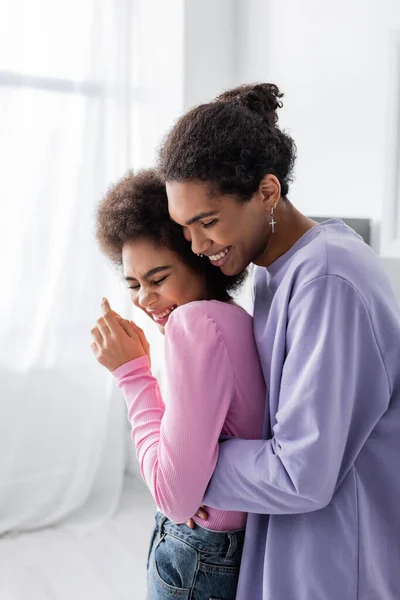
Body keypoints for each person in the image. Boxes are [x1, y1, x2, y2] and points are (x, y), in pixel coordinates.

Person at [157, 83, 400, 600]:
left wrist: (186, 466)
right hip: (294, 537)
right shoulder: (274, 268)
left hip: (335, 554)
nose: (198, 246)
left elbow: (301, 473)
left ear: (267, 192)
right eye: (185, 229)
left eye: (208, 222)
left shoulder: (327, 279)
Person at [90, 169, 266, 600]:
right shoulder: (234, 320)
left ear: (200, 260)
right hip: (226, 548)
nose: (144, 300)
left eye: (158, 278)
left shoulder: (192, 324)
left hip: (199, 553)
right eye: (133, 284)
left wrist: (132, 375)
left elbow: (174, 498)